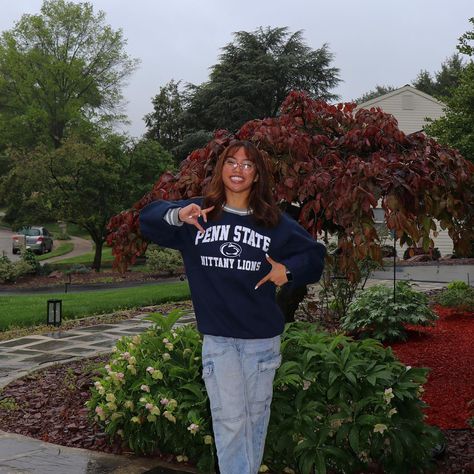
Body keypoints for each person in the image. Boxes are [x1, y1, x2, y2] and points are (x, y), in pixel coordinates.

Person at [139, 140, 326, 474]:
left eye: (247, 164)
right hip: (220, 340)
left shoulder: (272, 222)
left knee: (253, 422)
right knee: (230, 422)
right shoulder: (199, 216)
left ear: (256, 176)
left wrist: (288, 271)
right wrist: (177, 214)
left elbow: (314, 256)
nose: (238, 169)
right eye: (231, 162)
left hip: (262, 342)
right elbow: (148, 219)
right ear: (221, 169)